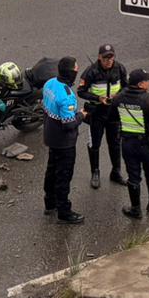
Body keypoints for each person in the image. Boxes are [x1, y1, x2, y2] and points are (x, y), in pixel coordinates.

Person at [111, 68, 149, 219]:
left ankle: (135, 209)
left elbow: (113, 117)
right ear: (140, 84)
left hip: (128, 144)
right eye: (146, 81)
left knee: (133, 176)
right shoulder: (148, 100)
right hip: (147, 145)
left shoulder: (118, 98)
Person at [42, 56, 86, 225]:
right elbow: (69, 124)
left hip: (50, 135)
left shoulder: (50, 83)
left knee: (51, 170)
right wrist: (82, 115)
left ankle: (50, 202)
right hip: (64, 142)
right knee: (63, 175)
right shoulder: (67, 96)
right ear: (70, 73)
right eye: (76, 70)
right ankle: (64, 211)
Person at [78, 43, 127, 189]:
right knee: (94, 144)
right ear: (99, 57)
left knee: (115, 144)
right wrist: (98, 98)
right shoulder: (91, 72)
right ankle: (95, 172)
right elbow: (81, 91)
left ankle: (116, 172)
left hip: (114, 113)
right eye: (105, 58)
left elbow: (127, 86)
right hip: (96, 114)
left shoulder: (120, 68)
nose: (108, 61)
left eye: (111, 57)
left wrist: (117, 96)